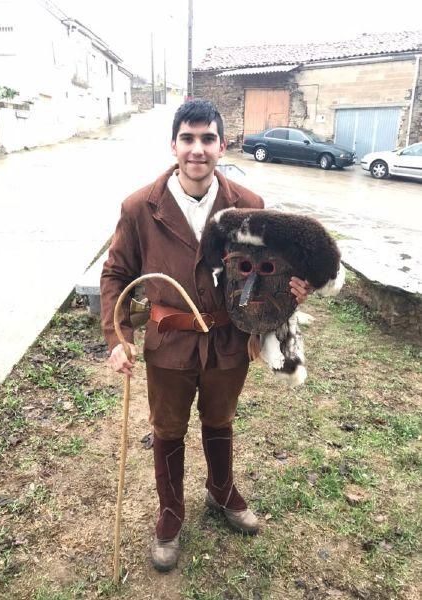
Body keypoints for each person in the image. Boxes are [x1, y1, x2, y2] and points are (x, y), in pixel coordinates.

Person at [100, 100, 311, 572]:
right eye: (188, 139)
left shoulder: (250, 207)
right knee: (168, 428)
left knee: (220, 419)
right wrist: (118, 338)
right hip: (169, 343)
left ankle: (221, 492)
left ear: (222, 144)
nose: (198, 149)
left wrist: (294, 290)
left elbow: (273, 274)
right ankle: (171, 513)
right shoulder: (140, 208)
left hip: (228, 342)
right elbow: (116, 273)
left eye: (208, 139)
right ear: (173, 145)